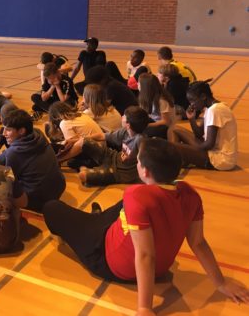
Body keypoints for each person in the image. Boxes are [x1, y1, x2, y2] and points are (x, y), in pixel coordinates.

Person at [43, 138, 249, 314]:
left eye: (138, 161)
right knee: (121, 207)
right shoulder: (189, 193)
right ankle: (97, 219)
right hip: (158, 267)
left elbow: (145, 256)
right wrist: (220, 283)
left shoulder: (137, 196)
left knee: (52, 208)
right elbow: (198, 242)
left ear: (145, 171)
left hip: (107, 258)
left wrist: (144, 307)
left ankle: (93, 222)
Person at [0, 109, 65, 212]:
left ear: (21, 131)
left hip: (37, 201)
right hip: (58, 187)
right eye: (4, 128)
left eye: (8, 130)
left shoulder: (14, 152)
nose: (4, 133)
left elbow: (9, 181)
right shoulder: (38, 133)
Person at [168, 81, 237, 171]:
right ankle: (178, 162)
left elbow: (209, 144)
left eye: (193, 100)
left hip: (220, 159)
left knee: (173, 146)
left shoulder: (215, 110)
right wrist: (191, 119)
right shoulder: (210, 108)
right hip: (212, 151)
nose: (191, 104)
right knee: (173, 129)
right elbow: (199, 134)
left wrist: (189, 149)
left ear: (203, 96)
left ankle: (173, 164)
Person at [78, 106, 150, 186]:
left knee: (85, 176)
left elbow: (146, 161)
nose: (122, 117)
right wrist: (84, 138)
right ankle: (98, 167)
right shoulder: (124, 131)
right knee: (85, 142)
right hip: (114, 156)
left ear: (128, 125)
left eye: (124, 117)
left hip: (122, 172)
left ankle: (95, 169)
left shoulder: (140, 140)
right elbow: (102, 136)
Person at [47, 101, 105, 168]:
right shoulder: (81, 114)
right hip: (103, 147)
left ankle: (57, 161)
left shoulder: (64, 123)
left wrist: (60, 156)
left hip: (94, 153)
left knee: (53, 148)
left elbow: (72, 145)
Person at [137, 73, 175, 139]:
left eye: (139, 83)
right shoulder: (145, 97)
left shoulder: (162, 100)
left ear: (145, 87)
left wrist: (148, 125)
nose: (137, 84)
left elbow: (166, 121)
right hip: (154, 121)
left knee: (143, 131)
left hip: (164, 126)